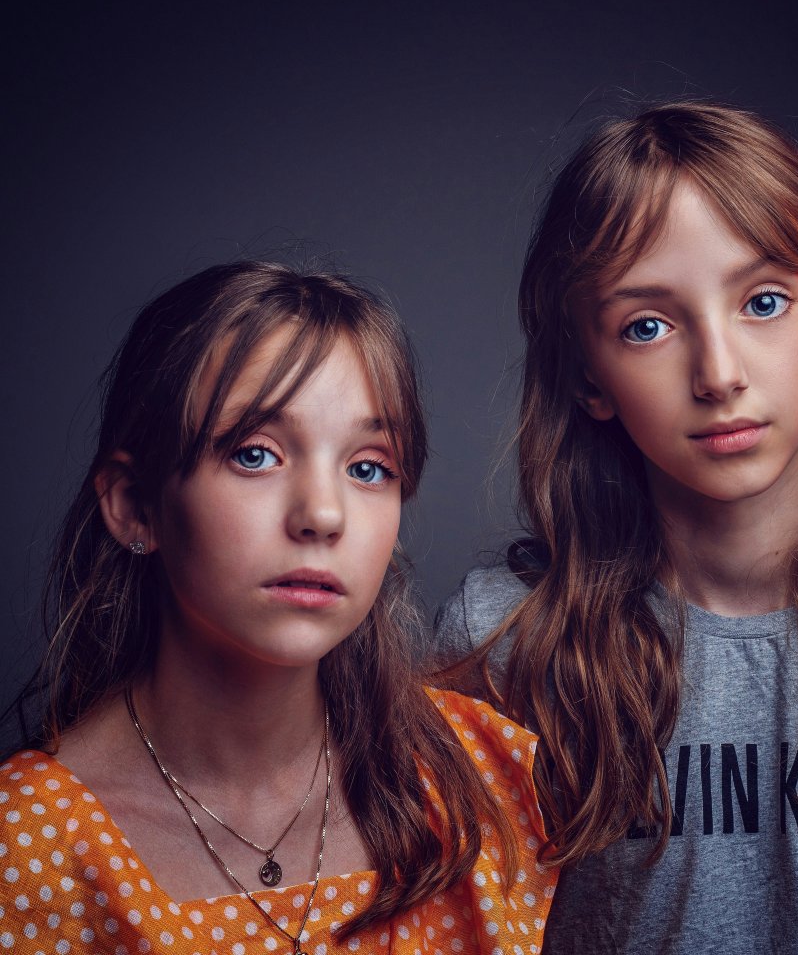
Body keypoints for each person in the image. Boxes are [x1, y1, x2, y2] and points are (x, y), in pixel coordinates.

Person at [434, 102, 798, 954]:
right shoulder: (503, 641)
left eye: (764, 301)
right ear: (589, 379)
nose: (719, 373)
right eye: (648, 326)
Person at [1, 260, 555, 955]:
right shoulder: (22, 852)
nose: (323, 514)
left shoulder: (490, 783)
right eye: (255, 454)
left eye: (367, 467)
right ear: (134, 505)